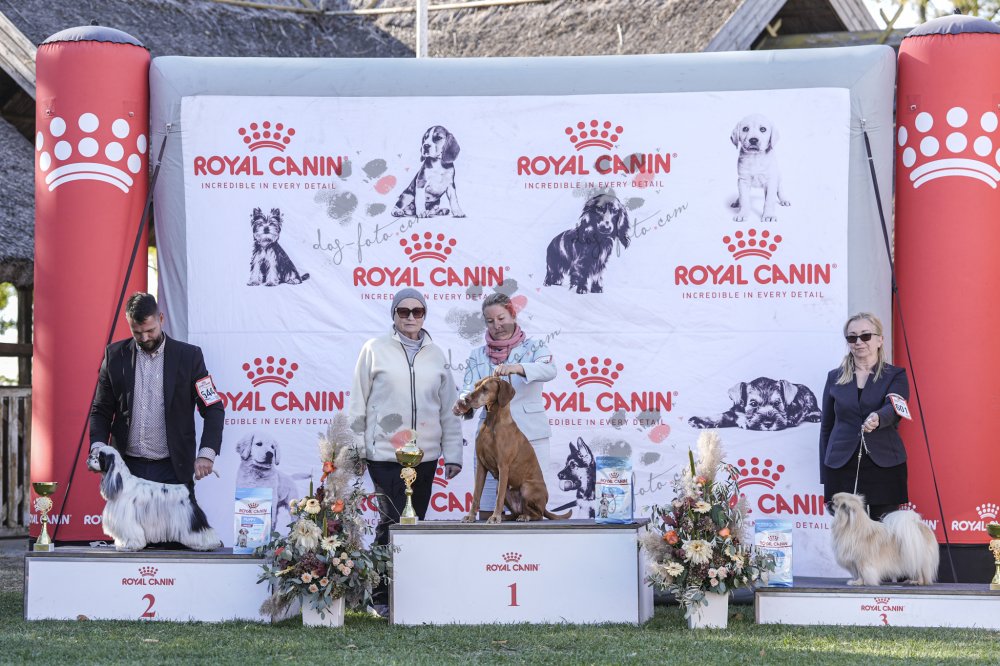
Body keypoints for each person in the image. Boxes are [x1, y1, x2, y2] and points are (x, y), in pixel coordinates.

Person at [348, 288, 463, 613]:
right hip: (384, 454)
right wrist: (357, 449)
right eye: (403, 311)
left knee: (415, 524)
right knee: (391, 522)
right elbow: (358, 402)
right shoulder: (373, 349)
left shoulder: (437, 355)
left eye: (417, 311)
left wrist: (453, 453)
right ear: (394, 315)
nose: (411, 317)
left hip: (424, 457)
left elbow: (449, 409)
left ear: (424, 315)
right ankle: (379, 597)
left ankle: (407, 595)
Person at [89, 292, 225, 486]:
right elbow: (100, 409)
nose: (144, 338)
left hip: (173, 470)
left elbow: (213, 407)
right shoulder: (114, 356)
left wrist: (207, 453)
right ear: (128, 323)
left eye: (150, 330)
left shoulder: (190, 357)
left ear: (161, 319)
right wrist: (98, 448)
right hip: (125, 468)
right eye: (137, 332)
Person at [452, 292, 556, 520]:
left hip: (532, 436)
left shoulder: (535, 347)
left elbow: (550, 370)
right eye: (490, 321)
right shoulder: (477, 355)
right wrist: (464, 403)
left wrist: (517, 367)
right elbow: (469, 388)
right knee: (487, 512)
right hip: (490, 438)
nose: (496, 325)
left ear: (513, 315)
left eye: (501, 318)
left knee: (531, 510)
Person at [819, 312, 910, 521]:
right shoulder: (834, 377)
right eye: (852, 337)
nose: (859, 342)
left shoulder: (895, 375)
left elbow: (895, 407)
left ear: (880, 340)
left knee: (884, 530)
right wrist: (825, 473)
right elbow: (827, 427)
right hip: (841, 465)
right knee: (848, 533)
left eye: (865, 335)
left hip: (884, 464)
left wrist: (878, 418)